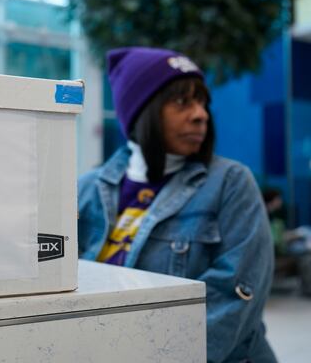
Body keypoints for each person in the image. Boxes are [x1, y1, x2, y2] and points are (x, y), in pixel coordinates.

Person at [78, 47, 276, 362]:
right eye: (182, 102)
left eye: (202, 102)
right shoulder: (86, 190)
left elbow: (234, 295)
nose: (201, 115)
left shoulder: (229, 182)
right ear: (143, 111)